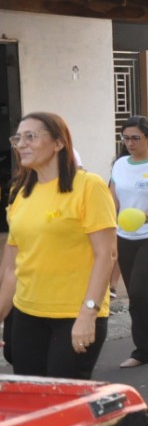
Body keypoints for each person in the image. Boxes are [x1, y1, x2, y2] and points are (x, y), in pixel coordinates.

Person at [0, 112, 116, 379]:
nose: (21, 144)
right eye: (18, 138)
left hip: (74, 314)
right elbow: (11, 268)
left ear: (58, 143)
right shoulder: (20, 192)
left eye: (31, 136)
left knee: (64, 401)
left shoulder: (88, 186)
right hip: (28, 314)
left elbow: (106, 254)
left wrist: (88, 314)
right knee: (32, 401)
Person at [110, 116, 148, 368]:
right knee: (135, 297)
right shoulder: (120, 165)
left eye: (135, 137)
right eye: (125, 138)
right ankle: (141, 350)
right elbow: (112, 201)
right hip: (125, 237)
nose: (129, 142)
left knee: (137, 289)